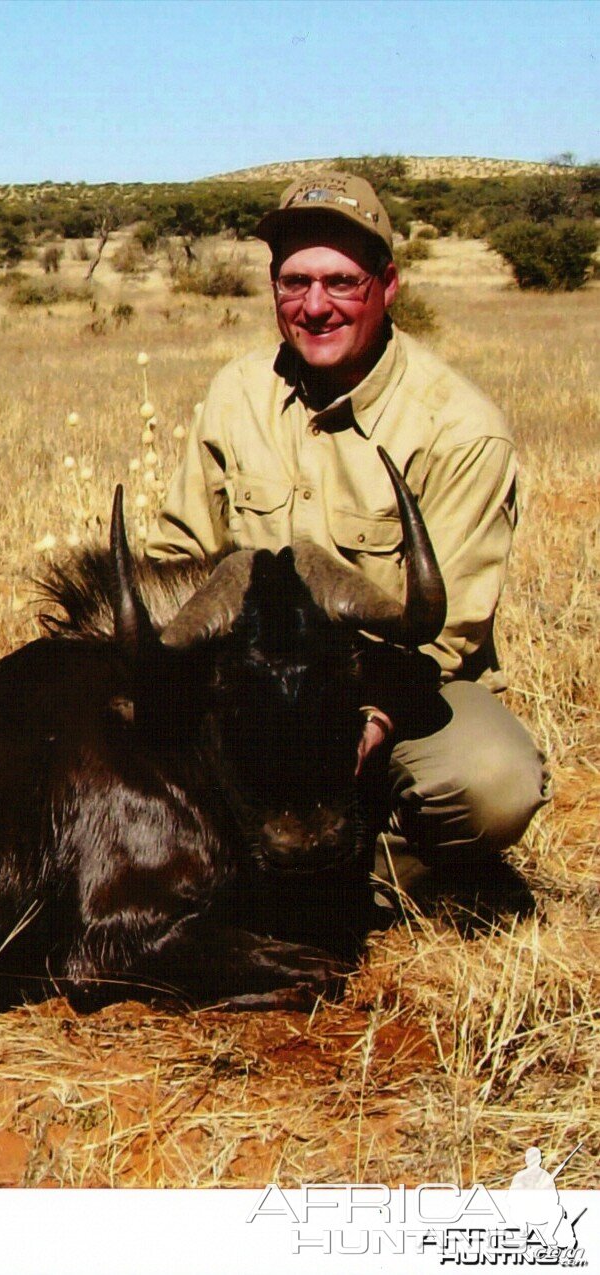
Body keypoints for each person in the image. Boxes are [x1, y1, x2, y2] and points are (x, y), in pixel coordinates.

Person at [147, 170, 550, 912]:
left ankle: (363, 868)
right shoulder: (235, 393)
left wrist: (361, 725)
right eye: (294, 282)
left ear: (387, 285)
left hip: (387, 687)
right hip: (253, 692)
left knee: (490, 781)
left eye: (340, 282)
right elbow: (178, 560)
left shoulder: (459, 426)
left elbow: (445, 628)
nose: (314, 306)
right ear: (272, 288)